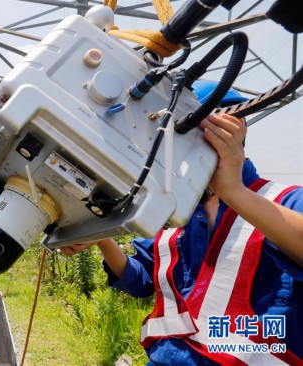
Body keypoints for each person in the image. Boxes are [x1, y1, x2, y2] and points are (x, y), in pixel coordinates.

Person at [61, 82, 303, 365]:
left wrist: (235, 192)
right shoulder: (174, 216)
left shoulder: (285, 202)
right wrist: (103, 236)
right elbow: (140, 282)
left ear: (229, 131)